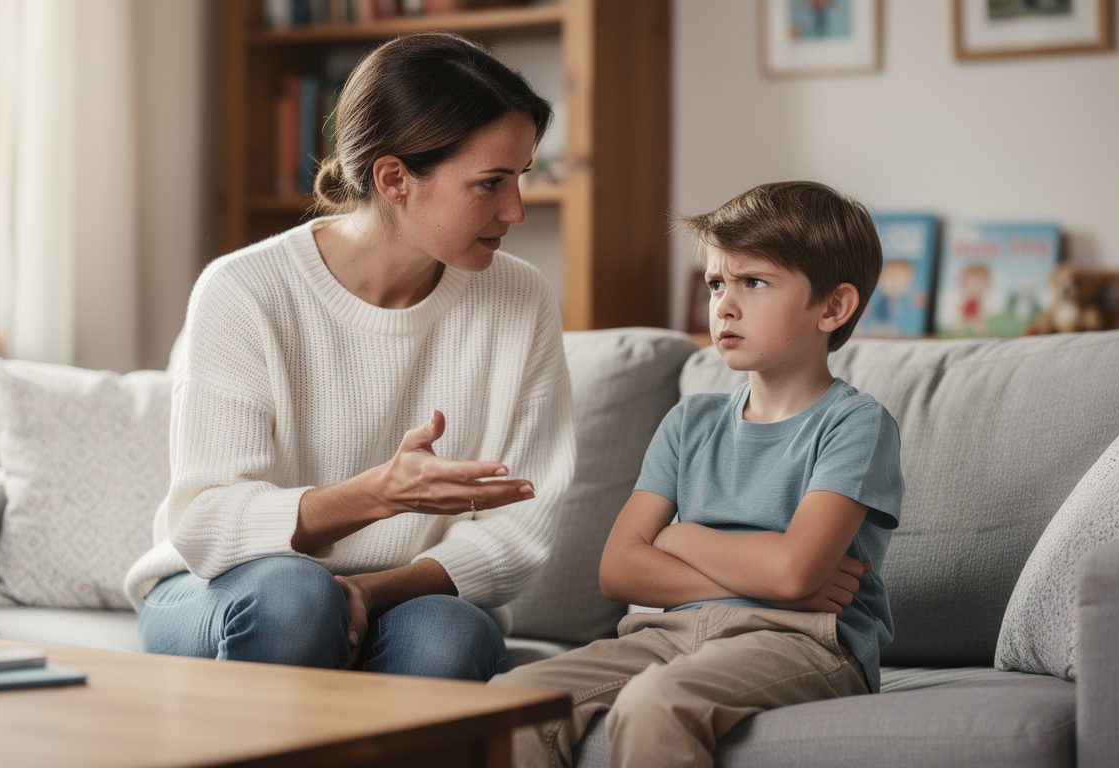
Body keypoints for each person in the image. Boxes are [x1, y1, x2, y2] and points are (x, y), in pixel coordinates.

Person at [122, 31, 576, 682]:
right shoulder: (244, 290)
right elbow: (206, 525)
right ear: (394, 178)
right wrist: (377, 495)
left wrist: (369, 592)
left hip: (407, 595)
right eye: (490, 183)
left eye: (521, 178)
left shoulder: (520, 298)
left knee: (449, 641)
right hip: (218, 590)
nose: (516, 209)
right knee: (293, 599)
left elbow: (522, 528)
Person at [491, 181, 904, 767]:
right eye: (716, 284)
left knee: (656, 703)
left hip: (803, 642)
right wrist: (759, 573)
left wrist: (679, 538)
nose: (723, 306)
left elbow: (793, 574)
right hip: (670, 634)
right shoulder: (690, 422)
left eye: (753, 283)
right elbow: (619, 569)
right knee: (511, 700)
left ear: (833, 307)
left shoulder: (856, 425)